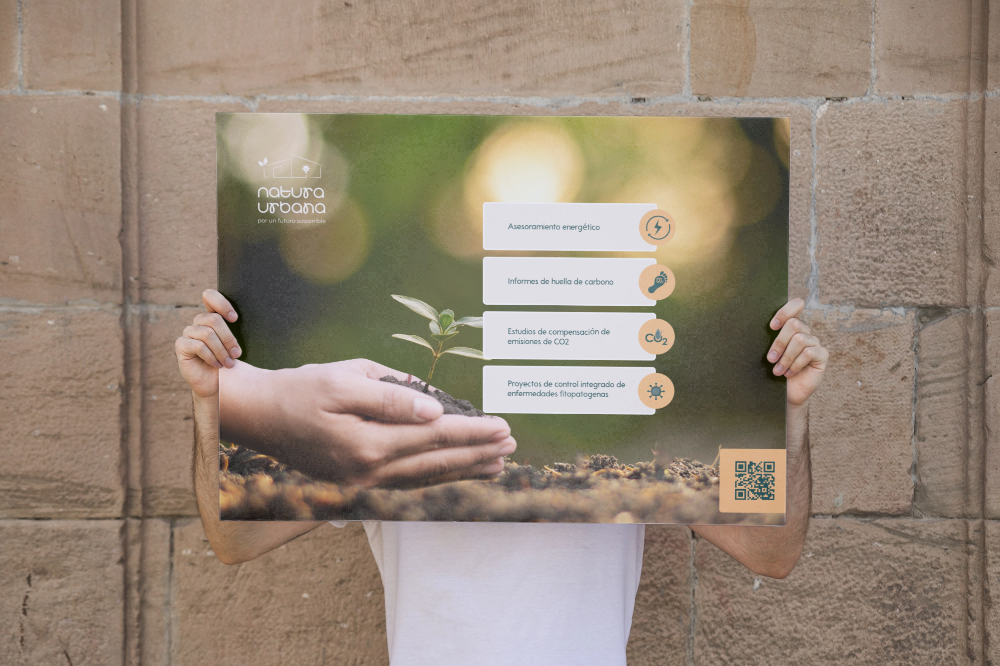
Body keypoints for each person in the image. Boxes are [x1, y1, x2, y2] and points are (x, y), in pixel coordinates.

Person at [177, 289, 828, 666]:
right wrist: (213, 406)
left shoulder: (637, 448)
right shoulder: (388, 439)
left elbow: (770, 551)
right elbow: (235, 543)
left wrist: (791, 413)